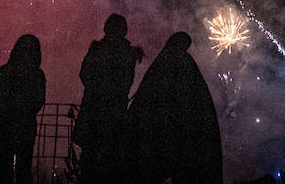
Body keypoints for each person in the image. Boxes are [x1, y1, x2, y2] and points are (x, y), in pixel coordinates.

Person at [128, 32, 221, 184]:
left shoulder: (162, 62)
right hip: (180, 129)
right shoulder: (185, 63)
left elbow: (147, 95)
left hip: (162, 128)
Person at [74, 13, 144, 183]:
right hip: (116, 112)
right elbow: (127, 82)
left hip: (94, 110)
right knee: (112, 159)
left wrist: (96, 89)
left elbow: (84, 74)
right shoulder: (128, 53)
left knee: (90, 159)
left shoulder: (98, 50)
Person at [0, 33, 47, 184]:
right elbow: (39, 100)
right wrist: (25, 110)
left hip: (6, 124)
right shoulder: (37, 74)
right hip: (26, 125)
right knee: (24, 168)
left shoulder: (6, 72)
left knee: (4, 167)